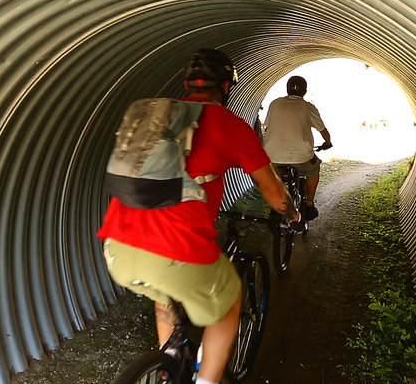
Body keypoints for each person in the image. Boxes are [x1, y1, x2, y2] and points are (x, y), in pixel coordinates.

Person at [97, 48, 298, 384]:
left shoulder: (158, 121)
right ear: (226, 87)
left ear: (187, 85)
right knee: (230, 298)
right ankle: (207, 381)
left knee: (165, 297)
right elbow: (274, 191)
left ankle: (169, 367)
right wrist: (289, 212)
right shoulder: (229, 125)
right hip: (177, 253)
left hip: (118, 248)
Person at [262, 75, 332, 221]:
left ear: (287, 89)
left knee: (275, 177)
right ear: (305, 91)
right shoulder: (308, 107)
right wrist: (328, 142)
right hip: (302, 158)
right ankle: (309, 203)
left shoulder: (274, 104)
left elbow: (267, 128)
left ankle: (274, 205)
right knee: (314, 169)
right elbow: (323, 131)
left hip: (272, 156)